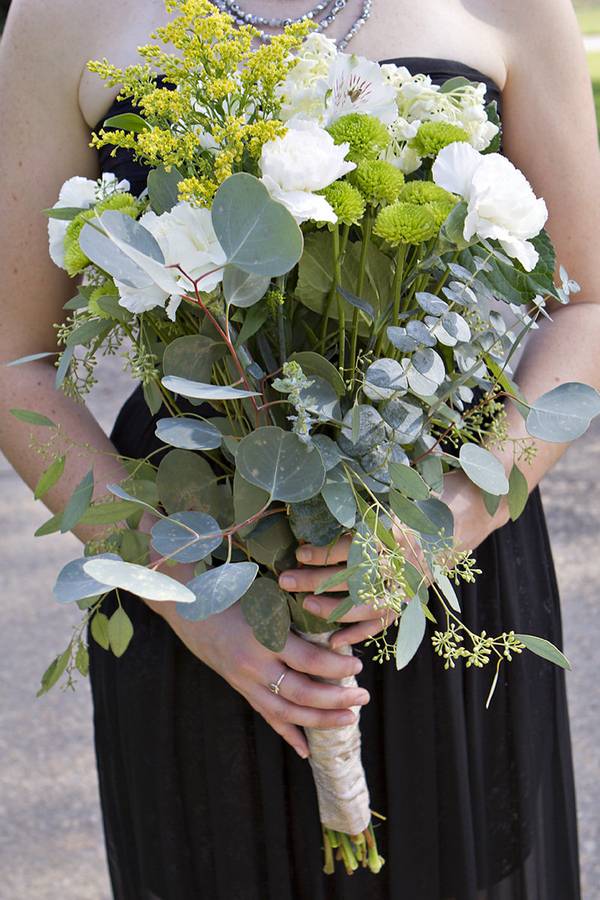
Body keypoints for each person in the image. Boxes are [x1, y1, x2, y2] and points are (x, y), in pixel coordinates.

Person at [1, 0, 597, 897]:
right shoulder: (61, 16)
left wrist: (449, 523)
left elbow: (588, 304)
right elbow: (15, 360)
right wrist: (183, 592)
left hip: (436, 564)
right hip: (201, 569)